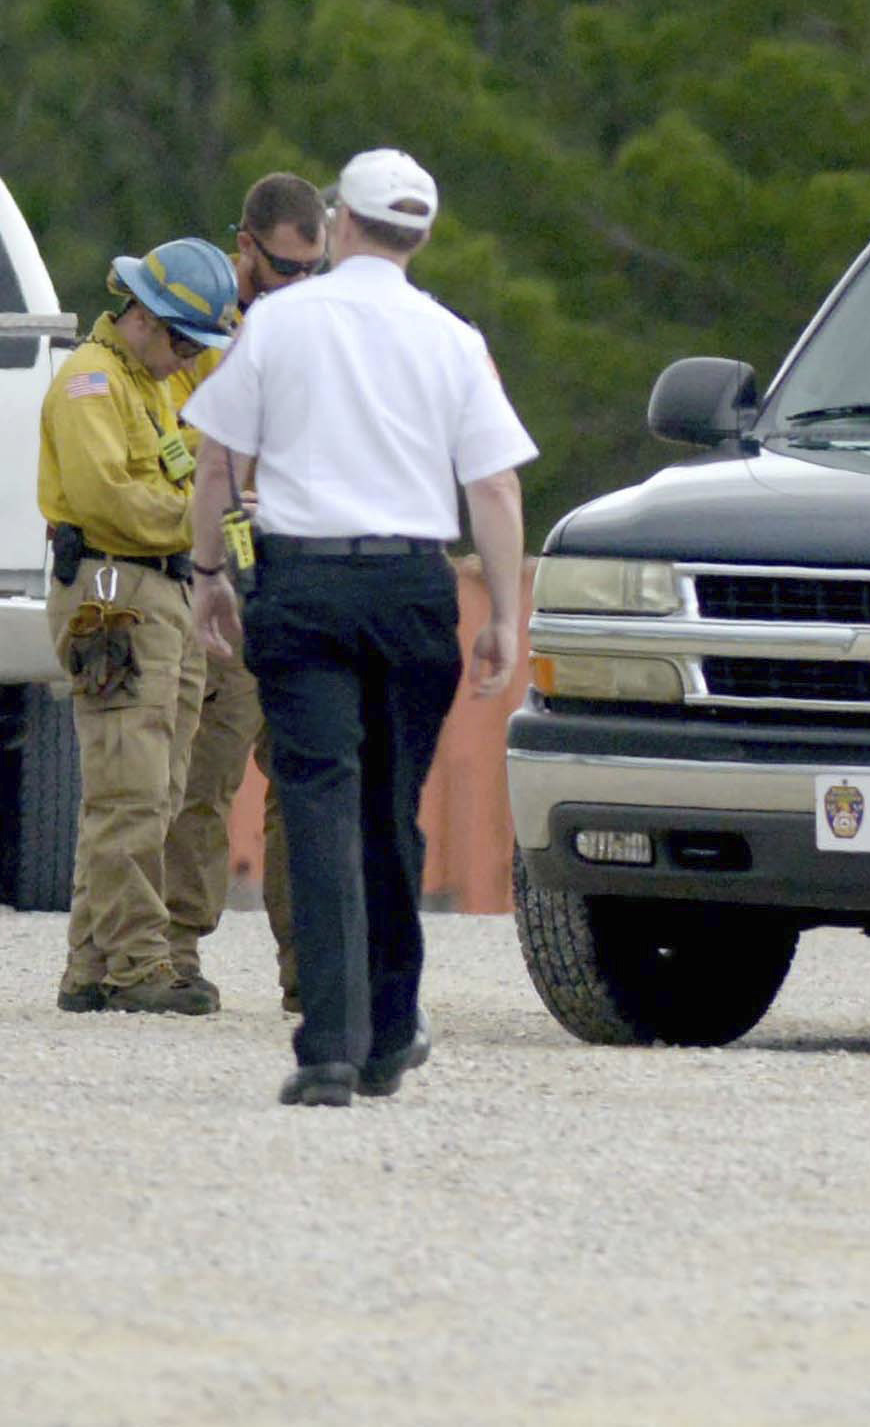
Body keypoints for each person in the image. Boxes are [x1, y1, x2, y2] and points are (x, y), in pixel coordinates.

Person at [185, 149, 536, 1108]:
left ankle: (329, 1048)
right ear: (420, 234)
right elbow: (494, 486)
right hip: (413, 588)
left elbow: (220, 462)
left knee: (321, 804)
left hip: (302, 586)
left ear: (340, 222)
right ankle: (389, 1031)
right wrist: (502, 612)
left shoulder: (281, 324)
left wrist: (208, 573)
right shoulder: (453, 338)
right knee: (392, 812)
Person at [38, 236, 240, 1015]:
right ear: (147, 319)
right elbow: (110, 501)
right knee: (130, 786)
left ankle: (92, 961)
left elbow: (176, 465)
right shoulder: (92, 385)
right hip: (113, 592)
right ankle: (136, 962)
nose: (190, 358)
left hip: (159, 591)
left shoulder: (146, 386)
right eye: (186, 340)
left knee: (152, 787)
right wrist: (208, 518)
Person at [162, 172, 328, 1014]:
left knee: (304, 783)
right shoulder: (200, 329)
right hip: (230, 568)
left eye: (313, 269)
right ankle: (173, 951)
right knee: (207, 772)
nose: (299, 284)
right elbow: (190, 452)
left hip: (301, 574)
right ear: (247, 246)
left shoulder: (325, 329)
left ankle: (310, 968)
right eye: (286, 268)